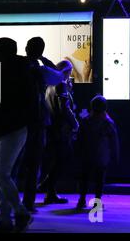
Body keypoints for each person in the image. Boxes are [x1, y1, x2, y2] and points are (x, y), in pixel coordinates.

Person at [0, 38, 33, 233]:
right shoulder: (23, 70)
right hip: (8, 128)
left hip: (4, 129)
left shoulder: (0, 71)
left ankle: (19, 213)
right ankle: (5, 220)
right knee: (0, 176)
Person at [21, 37, 64, 213]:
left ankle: (14, 199)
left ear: (25, 48)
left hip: (21, 119)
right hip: (38, 120)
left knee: (19, 162)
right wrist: (44, 59)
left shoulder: (22, 66)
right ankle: (28, 202)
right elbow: (58, 76)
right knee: (34, 163)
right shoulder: (41, 70)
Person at [39, 60, 79, 204]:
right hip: (61, 129)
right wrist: (75, 123)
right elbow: (64, 107)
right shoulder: (61, 85)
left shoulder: (50, 85)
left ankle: (48, 188)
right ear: (66, 71)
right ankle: (49, 189)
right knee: (61, 160)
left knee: (54, 160)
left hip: (52, 127)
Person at [76, 95, 119, 210]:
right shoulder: (108, 122)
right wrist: (115, 155)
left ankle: (81, 199)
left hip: (86, 154)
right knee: (99, 180)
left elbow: (79, 138)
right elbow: (113, 140)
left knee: (84, 177)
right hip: (101, 156)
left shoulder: (85, 121)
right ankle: (97, 202)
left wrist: (78, 152)